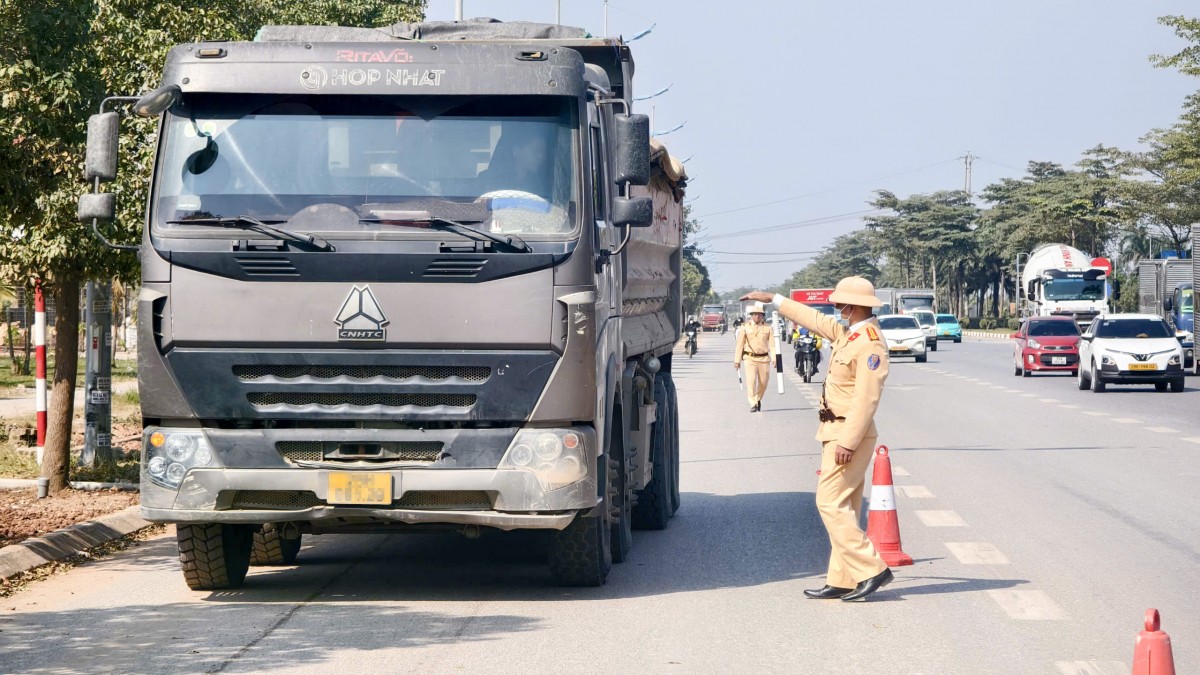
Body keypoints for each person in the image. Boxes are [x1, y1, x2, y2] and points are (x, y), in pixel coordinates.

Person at [742, 276, 893, 602]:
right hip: (834, 431)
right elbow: (814, 319)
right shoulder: (849, 333)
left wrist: (848, 442)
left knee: (828, 502)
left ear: (854, 307)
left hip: (847, 435)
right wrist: (775, 299)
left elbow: (866, 400)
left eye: (840, 304)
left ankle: (872, 568)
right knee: (846, 507)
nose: (836, 309)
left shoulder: (870, 344)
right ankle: (842, 577)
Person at [733, 302, 775, 412]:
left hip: (764, 359)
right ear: (751, 315)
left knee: (764, 382)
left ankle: (757, 398)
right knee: (751, 382)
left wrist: (775, 358)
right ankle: (753, 403)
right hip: (749, 358)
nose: (757, 316)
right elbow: (740, 345)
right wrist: (737, 360)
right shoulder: (745, 327)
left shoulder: (768, 328)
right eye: (755, 314)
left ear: (762, 316)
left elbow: (772, 345)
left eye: (759, 314)